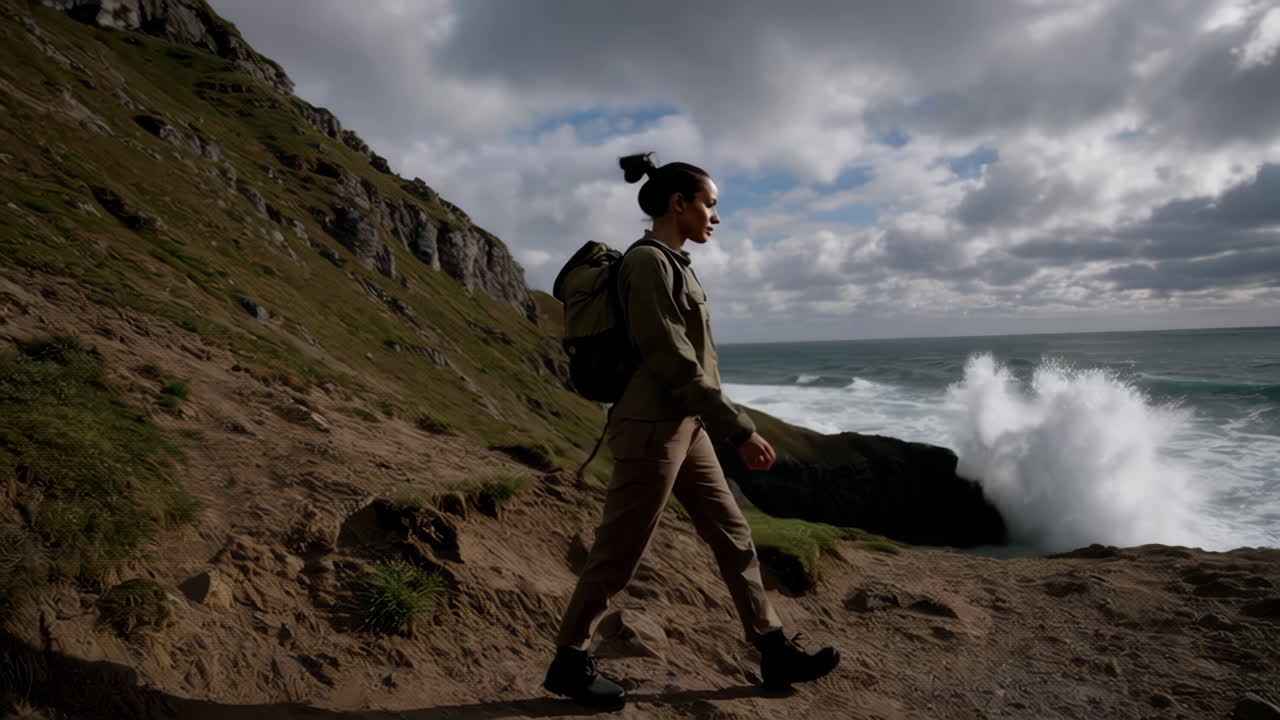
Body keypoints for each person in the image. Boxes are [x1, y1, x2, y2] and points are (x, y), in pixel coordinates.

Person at [543, 153, 840, 708]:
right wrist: (740, 428)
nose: (715, 217)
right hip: (651, 427)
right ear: (678, 204)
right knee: (619, 552)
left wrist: (715, 423)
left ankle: (772, 648)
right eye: (709, 204)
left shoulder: (676, 263)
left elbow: (688, 363)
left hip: (685, 424)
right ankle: (570, 661)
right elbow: (671, 357)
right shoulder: (648, 264)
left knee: (732, 535)